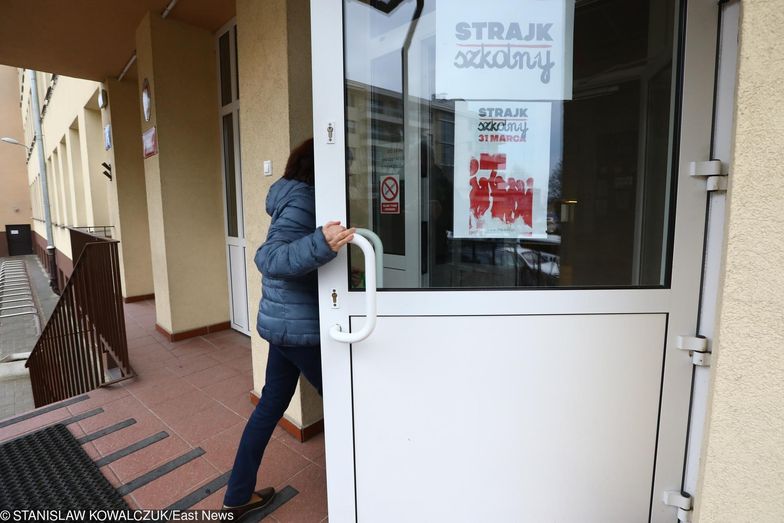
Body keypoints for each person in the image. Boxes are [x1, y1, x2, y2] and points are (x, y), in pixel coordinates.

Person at [222, 138, 355, 519]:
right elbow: (270, 256)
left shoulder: (294, 195)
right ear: (321, 166)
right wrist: (322, 243)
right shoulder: (302, 200)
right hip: (298, 330)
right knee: (348, 403)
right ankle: (367, 490)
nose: (348, 172)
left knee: (269, 406)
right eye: (344, 163)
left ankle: (237, 495)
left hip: (283, 325)